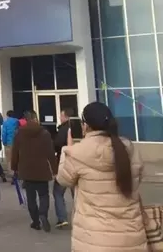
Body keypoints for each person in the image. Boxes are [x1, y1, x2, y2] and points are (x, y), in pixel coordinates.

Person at [57, 102, 147, 251]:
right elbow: (138, 178)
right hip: (131, 236)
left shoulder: (77, 152)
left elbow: (63, 179)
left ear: (85, 126)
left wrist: (67, 151)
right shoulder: (128, 148)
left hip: (94, 239)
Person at [11, 110, 58, 233]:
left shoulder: (19, 133)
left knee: (31, 197)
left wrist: (14, 167)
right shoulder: (44, 133)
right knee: (44, 195)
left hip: (26, 170)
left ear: (25, 120)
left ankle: (36, 222)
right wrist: (55, 170)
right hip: (42, 169)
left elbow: (15, 152)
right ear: (36, 118)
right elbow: (50, 153)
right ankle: (43, 214)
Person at [52, 107, 73, 228]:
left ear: (66, 117)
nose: (60, 117)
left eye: (61, 115)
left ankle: (62, 218)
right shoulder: (80, 128)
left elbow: (57, 144)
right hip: (78, 163)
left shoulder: (63, 130)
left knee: (58, 191)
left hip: (65, 162)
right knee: (77, 192)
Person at [1, 110, 19, 177]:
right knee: (17, 158)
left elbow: (4, 133)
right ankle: (17, 172)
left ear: (7, 115)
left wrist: (4, 142)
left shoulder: (6, 122)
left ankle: (12, 173)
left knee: (9, 159)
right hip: (17, 142)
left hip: (9, 142)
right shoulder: (17, 121)